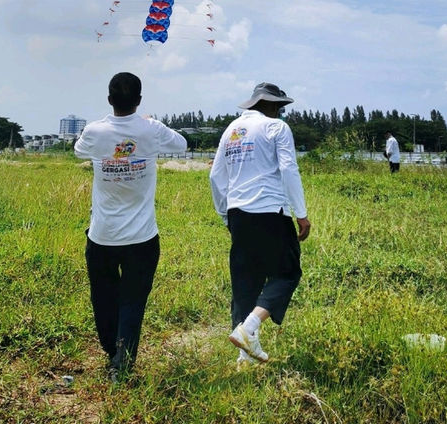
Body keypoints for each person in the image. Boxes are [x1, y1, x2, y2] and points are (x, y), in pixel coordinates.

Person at [74, 72, 187, 381]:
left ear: (110, 100)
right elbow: (182, 144)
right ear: (139, 100)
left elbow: (78, 151)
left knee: (103, 297)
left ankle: (114, 352)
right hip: (142, 238)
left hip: (102, 237)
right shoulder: (151, 129)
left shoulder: (96, 131)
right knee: (133, 300)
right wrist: (149, 125)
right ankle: (121, 361)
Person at [209, 82, 311, 365]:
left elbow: (216, 178)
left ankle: (246, 357)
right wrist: (300, 214)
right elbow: (289, 169)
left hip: (238, 214)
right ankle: (249, 327)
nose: (280, 113)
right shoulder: (275, 128)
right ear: (271, 106)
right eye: (279, 108)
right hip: (269, 211)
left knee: (246, 283)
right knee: (287, 273)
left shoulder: (230, 131)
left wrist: (226, 216)